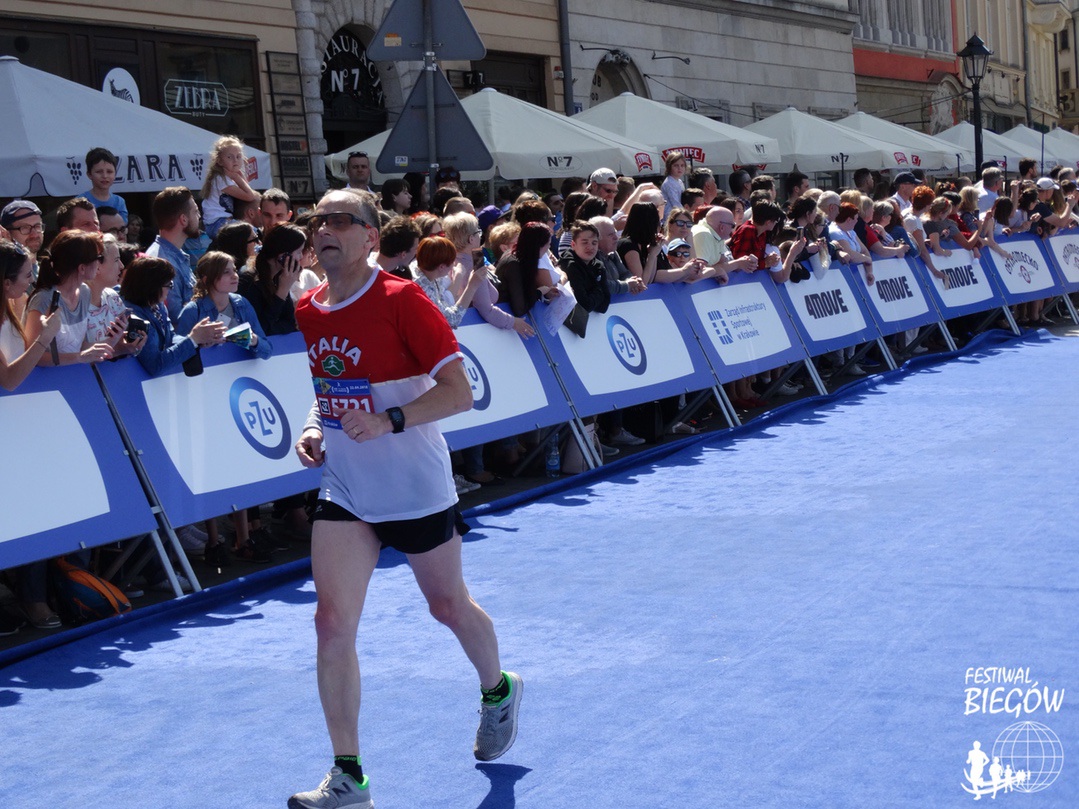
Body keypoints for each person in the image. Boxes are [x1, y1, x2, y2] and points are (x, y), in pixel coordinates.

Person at [288, 190, 521, 809]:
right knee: (330, 622)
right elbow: (328, 383)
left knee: (447, 606)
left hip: (414, 485)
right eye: (319, 220)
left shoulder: (404, 299)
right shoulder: (308, 307)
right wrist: (314, 425)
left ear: (370, 236)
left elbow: (459, 393)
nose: (325, 228)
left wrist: (388, 420)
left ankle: (498, 688)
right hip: (346, 487)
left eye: (341, 220)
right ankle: (349, 776)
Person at [24, 230, 115, 366]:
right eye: (99, 258)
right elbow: (32, 357)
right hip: (45, 379)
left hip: (72, 375)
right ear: (82, 268)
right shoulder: (43, 299)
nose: (99, 264)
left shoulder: (85, 292)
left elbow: (79, 346)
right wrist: (79, 357)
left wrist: (114, 341)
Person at [0, 239, 61, 391]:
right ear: (7, 283)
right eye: (28, 275)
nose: (32, 279)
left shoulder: (10, 304)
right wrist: (44, 338)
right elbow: (8, 381)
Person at [238, 223, 307, 336]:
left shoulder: (278, 277)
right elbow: (260, 330)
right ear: (283, 256)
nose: (301, 257)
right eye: (299, 252)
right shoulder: (249, 281)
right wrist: (282, 291)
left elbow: (290, 323)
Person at [146, 186, 201, 323]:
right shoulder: (163, 262)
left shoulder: (174, 255)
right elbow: (176, 318)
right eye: (195, 211)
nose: (199, 216)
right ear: (183, 219)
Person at [200, 135, 261, 238]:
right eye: (229, 157)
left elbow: (250, 193)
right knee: (254, 232)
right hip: (217, 224)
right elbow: (250, 196)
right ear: (219, 161)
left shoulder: (228, 178)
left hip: (222, 222)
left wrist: (239, 176)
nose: (235, 160)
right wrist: (237, 177)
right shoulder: (220, 179)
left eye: (238, 156)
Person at [83, 147, 128, 223]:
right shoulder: (81, 202)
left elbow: (122, 226)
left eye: (109, 172)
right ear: (89, 174)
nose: (105, 176)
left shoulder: (119, 202)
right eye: (99, 172)